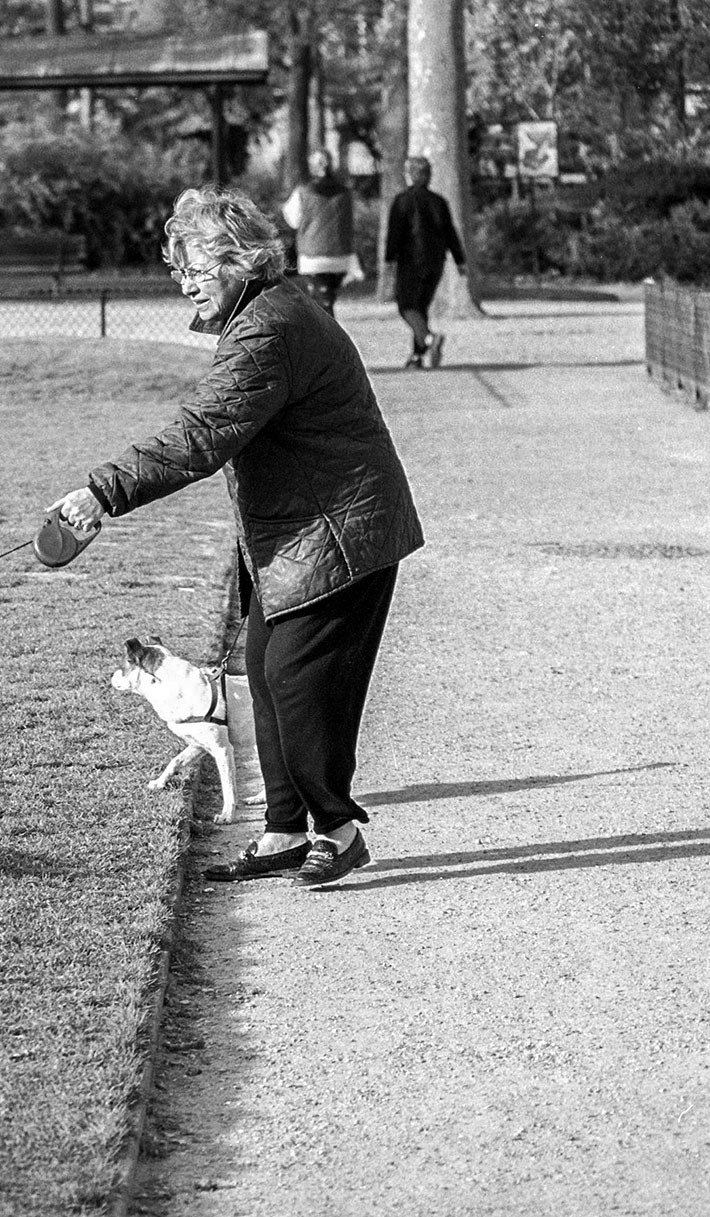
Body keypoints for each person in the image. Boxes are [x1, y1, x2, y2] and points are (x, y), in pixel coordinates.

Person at [51, 186, 423, 888]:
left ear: (240, 261)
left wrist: (102, 492)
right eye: (178, 268)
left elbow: (201, 434)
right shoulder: (264, 312)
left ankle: (337, 831)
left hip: (340, 532)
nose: (184, 282)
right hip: (303, 536)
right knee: (260, 669)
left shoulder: (266, 329)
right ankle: (284, 830)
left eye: (196, 266)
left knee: (291, 677)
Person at [384, 156, 467, 368]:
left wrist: (389, 259)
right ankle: (417, 356)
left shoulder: (402, 201)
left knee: (407, 306)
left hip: (411, 260)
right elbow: (450, 232)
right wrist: (460, 260)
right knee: (420, 307)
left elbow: (395, 233)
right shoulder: (439, 202)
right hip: (436, 261)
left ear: (410, 174)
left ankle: (429, 339)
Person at [281, 148, 355, 316]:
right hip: (341, 255)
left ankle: (329, 337)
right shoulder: (345, 193)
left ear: (312, 166)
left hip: (312, 255)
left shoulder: (303, 192)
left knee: (322, 302)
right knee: (327, 298)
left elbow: (292, 219)